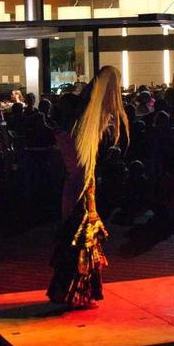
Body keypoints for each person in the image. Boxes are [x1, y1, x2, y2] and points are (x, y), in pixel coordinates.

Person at [47, 66, 129, 309]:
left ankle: (70, 292)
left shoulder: (65, 133)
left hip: (73, 188)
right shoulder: (79, 134)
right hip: (81, 191)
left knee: (75, 241)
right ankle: (75, 292)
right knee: (80, 241)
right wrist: (104, 77)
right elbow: (91, 99)